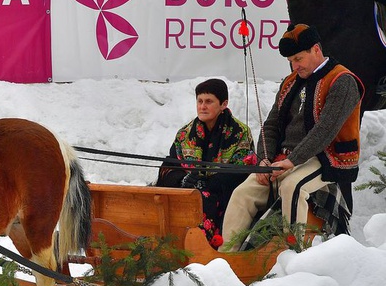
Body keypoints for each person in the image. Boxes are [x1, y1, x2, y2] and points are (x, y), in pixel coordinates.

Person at [220, 24, 364, 252]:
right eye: (290, 61)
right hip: (284, 159)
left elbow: (325, 130)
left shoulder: (342, 80)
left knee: (292, 188)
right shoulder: (290, 82)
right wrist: (264, 161)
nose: (294, 66)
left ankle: (292, 255)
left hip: (324, 157)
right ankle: (228, 258)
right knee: (242, 194)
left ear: (316, 50)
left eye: (298, 58)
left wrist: (291, 161)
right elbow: (271, 125)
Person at [156, 78, 256, 247]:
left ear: (223, 104)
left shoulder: (240, 133)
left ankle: (201, 250)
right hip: (188, 194)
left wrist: (209, 184)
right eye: (199, 101)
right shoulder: (184, 134)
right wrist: (182, 180)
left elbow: (244, 169)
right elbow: (169, 166)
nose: (202, 107)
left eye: (209, 102)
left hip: (223, 196)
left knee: (205, 200)